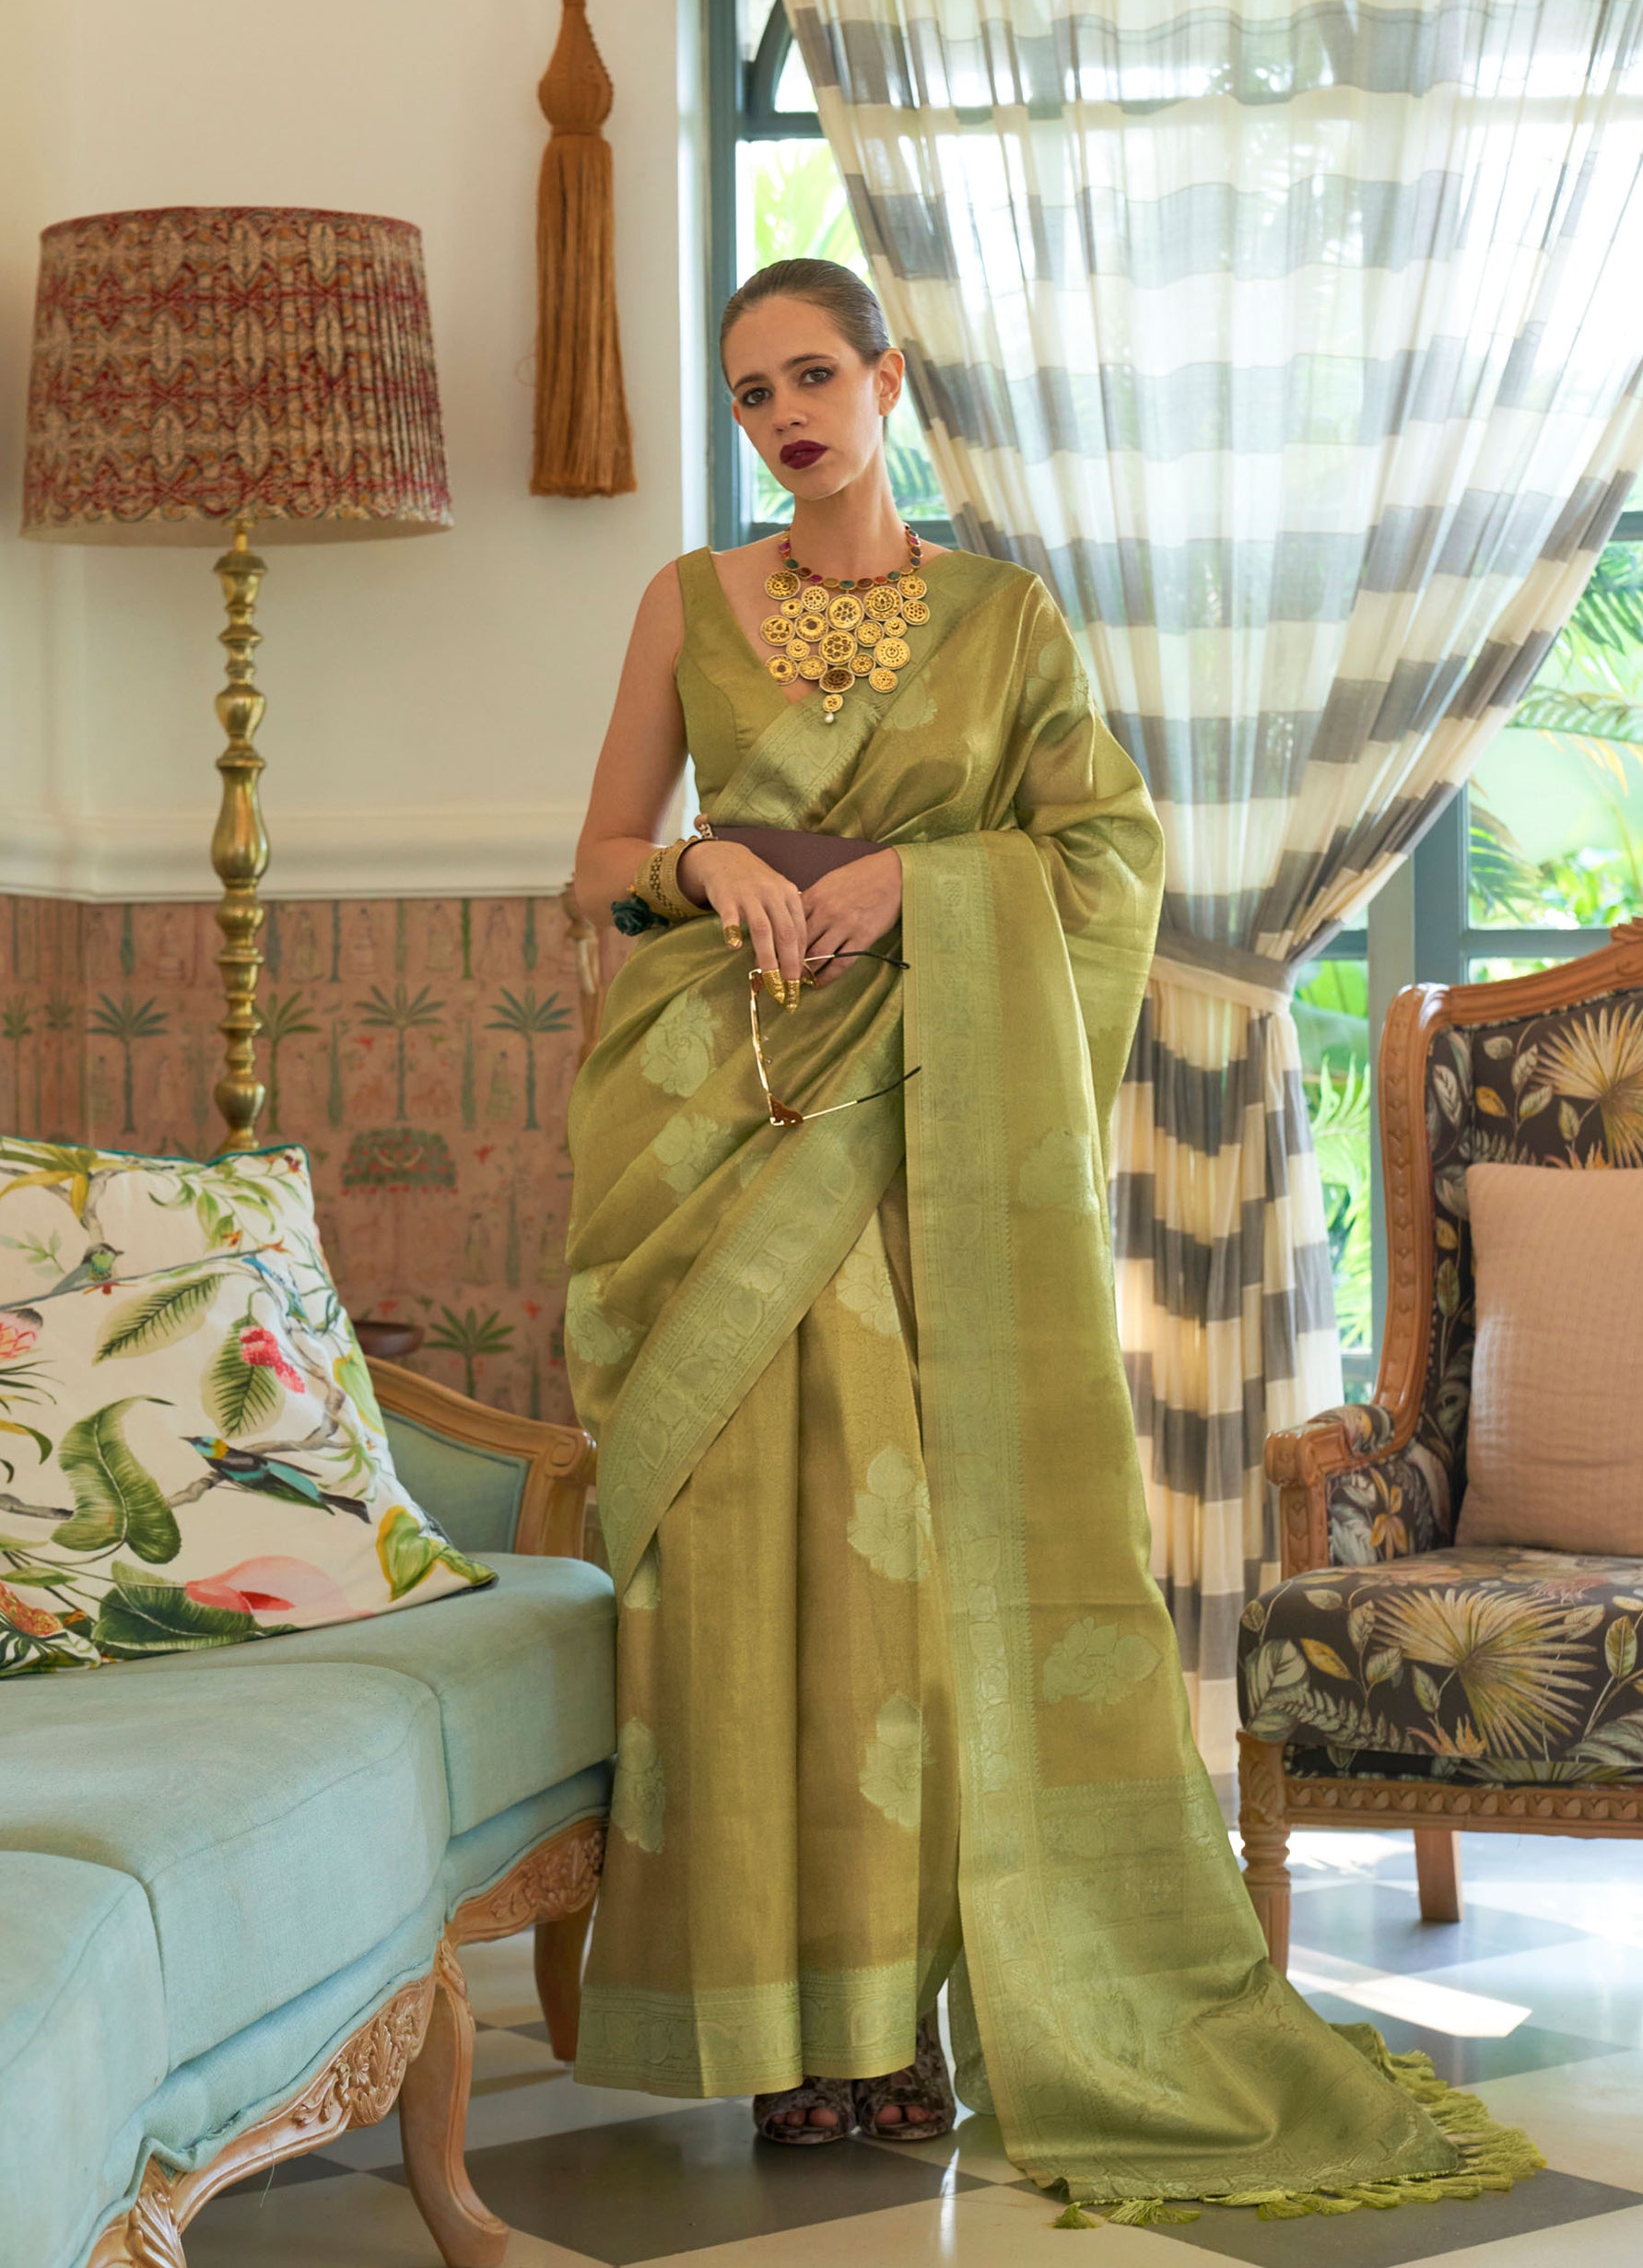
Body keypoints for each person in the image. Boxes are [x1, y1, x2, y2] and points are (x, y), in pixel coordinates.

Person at [563, 258, 1533, 2213]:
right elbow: (597, 866)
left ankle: (900, 2019)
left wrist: (920, 885)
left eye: (813, 377)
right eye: (752, 395)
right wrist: (705, 854)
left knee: (909, 1571)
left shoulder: (1001, 619)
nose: (785, 418)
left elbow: (1105, 854)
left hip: (923, 1125)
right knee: (736, 1564)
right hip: (716, 1114)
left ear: (886, 381)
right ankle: (774, 2031)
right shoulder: (685, 600)